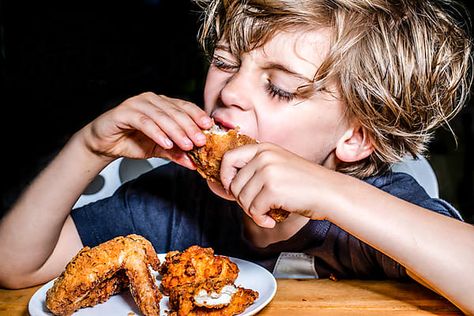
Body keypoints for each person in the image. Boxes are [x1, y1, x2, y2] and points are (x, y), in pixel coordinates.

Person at [0, 0, 473, 314]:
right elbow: (14, 265)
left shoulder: (379, 206)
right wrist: (89, 148)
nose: (230, 91)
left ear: (355, 136)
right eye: (226, 62)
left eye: (280, 88)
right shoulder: (173, 200)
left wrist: (333, 194)